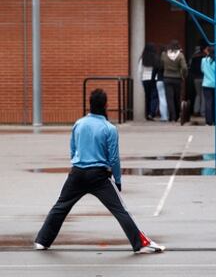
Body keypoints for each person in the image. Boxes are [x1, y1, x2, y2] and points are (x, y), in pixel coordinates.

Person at [34, 89, 165, 254]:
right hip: (98, 176)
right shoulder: (109, 128)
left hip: (77, 173)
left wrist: (78, 163)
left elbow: (72, 150)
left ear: (89, 104)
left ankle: (42, 241)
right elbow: (114, 159)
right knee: (120, 210)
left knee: (60, 207)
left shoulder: (79, 124)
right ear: (106, 105)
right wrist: (117, 180)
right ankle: (141, 243)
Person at [161, 40, 188, 122]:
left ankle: (172, 117)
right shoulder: (180, 55)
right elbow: (184, 67)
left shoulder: (164, 54)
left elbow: (161, 64)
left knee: (169, 98)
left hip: (167, 78)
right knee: (177, 97)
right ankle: (177, 115)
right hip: (177, 78)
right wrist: (184, 75)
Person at [138, 43, 159, 121]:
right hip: (154, 79)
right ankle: (151, 113)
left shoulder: (142, 58)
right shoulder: (156, 58)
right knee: (154, 96)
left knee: (147, 97)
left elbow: (140, 71)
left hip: (145, 79)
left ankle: (147, 114)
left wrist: (140, 79)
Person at [189, 41, 208, 117]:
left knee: (198, 95)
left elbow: (191, 68)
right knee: (204, 95)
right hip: (204, 78)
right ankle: (203, 112)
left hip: (196, 78)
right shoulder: (207, 57)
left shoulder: (194, 56)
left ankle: (196, 110)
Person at [201, 46, 216, 125]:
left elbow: (202, 70)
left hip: (206, 83)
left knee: (208, 102)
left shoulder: (204, 60)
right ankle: (215, 120)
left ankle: (208, 121)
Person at [153, 45, 169, 122]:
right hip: (167, 80)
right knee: (168, 98)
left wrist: (153, 79)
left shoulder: (158, 60)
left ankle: (164, 116)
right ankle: (169, 115)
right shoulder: (168, 59)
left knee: (162, 99)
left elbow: (154, 71)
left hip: (159, 80)